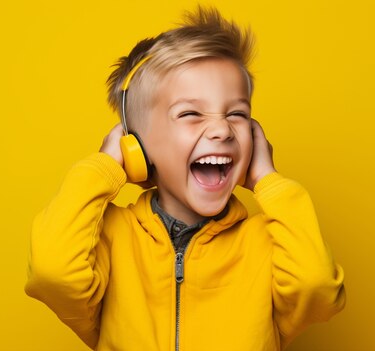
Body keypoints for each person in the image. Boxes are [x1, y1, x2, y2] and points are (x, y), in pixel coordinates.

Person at [25, 6, 345, 351]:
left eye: (237, 114)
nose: (222, 129)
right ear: (136, 145)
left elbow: (317, 288)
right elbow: (52, 273)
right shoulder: (107, 240)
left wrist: (268, 179)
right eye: (191, 113)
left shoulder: (269, 245)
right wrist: (104, 166)